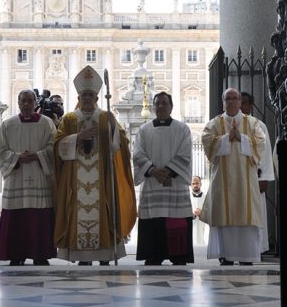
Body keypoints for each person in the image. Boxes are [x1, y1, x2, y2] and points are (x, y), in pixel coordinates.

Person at [54, 65, 137, 266]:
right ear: (78, 98)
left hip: (102, 180)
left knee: (105, 210)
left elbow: (120, 146)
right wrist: (76, 138)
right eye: (84, 95)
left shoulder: (105, 117)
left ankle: (105, 254)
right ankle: (82, 257)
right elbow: (57, 146)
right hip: (76, 181)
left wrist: (113, 130)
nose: (88, 99)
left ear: (97, 98)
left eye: (91, 95)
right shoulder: (69, 119)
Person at [200, 88, 267, 265]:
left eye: (234, 98)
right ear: (223, 102)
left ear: (240, 101)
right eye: (227, 98)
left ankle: (247, 257)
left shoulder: (252, 123)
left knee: (246, 214)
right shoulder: (214, 124)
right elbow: (207, 142)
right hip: (222, 181)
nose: (231, 102)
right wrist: (225, 139)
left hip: (246, 182)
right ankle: (226, 255)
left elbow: (260, 144)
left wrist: (241, 137)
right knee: (225, 214)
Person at [0, 90, 58, 266]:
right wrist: (17, 158)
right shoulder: (8, 125)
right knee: (17, 216)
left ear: (35, 102)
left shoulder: (47, 123)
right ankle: (16, 254)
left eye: (30, 100)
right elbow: (0, 150)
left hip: (39, 175)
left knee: (40, 217)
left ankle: (40, 254)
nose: (26, 104)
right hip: (17, 175)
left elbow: (54, 146)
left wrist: (38, 155)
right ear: (18, 102)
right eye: (23, 101)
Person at [132, 92, 194, 265]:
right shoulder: (144, 130)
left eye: (164, 103)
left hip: (175, 184)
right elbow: (137, 154)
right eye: (157, 103)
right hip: (153, 183)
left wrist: (167, 171)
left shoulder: (182, 129)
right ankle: (153, 255)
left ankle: (178, 256)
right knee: (154, 222)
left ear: (171, 106)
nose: (160, 106)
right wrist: (153, 171)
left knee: (175, 220)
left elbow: (185, 152)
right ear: (153, 107)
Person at [240, 92, 276, 253]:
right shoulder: (224, 124)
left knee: (255, 213)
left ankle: (255, 249)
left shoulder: (259, 126)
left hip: (255, 177)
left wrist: (265, 178)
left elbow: (266, 153)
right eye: (239, 102)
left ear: (251, 106)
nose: (241, 106)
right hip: (234, 180)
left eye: (245, 103)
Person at [190, 176, 209, 245]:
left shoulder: (206, 197)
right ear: (190, 185)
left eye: (197, 183)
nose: (195, 185)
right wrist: (192, 214)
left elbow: (209, 211)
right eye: (193, 183)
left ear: (200, 184)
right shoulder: (187, 197)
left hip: (203, 225)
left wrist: (202, 213)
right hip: (192, 224)